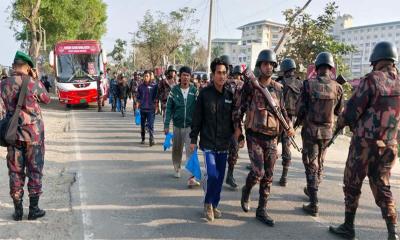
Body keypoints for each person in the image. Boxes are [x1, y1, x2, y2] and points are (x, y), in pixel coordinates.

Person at [329, 41, 400, 240]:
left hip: (365, 144)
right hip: (389, 144)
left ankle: (348, 227)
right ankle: (392, 232)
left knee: (352, 183)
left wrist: (340, 124)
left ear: (376, 60)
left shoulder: (372, 80)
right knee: (383, 186)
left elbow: (352, 111)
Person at [233, 49, 295, 226]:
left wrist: (289, 126)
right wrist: (239, 132)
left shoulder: (278, 88)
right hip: (254, 135)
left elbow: (283, 111)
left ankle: (262, 209)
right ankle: (246, 190)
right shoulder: (250, 86)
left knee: (268, 174)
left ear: (274, 67)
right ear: (259, 66)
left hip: (272, 137)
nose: (268, 67)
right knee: (258, 172)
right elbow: (239, 109)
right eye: (264, 63)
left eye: (271, 64)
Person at [1, 51, 51, 221]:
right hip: (33, 136)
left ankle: (18, 210)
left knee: (15, 172)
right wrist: (36, 79)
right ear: (29, 68)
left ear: (14, 66)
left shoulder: (4, 84)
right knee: (35, 170)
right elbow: (46, 99)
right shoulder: (32, 83)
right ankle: (34, 209)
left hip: (12, 134)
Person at [296, 52, 344, 217]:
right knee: (320, 161)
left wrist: (297, 123)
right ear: (331, 68)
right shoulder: (338, 87)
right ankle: (313, 188)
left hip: (310, 131)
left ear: (317, 67)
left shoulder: (308, 85)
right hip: (327, 132)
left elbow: (300, 109)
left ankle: (314, 202)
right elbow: (339, 111)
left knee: (310, 163)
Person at [189, 57, 235, 222]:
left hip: (224, 143)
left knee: (220, 177)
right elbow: (197, 118)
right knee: (213, 175)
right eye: (218, 73)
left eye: (224, 73)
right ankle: (207, 203)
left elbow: (234, 120)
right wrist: (193, 139)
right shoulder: (204, 94)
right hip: (208, 142)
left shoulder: (230, 94)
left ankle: (215, 204)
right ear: (213, 74)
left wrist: (239, 135)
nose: (222, 76)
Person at [164, 66, 200, 188]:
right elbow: (168, 108)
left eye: (188, 75)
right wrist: (166, 124)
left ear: (190, 77)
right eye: (183, 75)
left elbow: (200, 109)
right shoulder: (174, 91)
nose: (185, 77)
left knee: (191, 151)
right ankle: (177, 167)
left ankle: (192, 176)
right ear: (180, 77)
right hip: (177, 126)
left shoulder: (194, 91)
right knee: (177, 149)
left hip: (190, 127)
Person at [276, 58, 302, 187]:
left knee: (272, 145)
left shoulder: (279, 83)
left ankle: (264, 171)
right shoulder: (300, 84)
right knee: (287, 146)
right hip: (292, 120)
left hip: (278, 117)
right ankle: (284, 177)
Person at [225, 65, 245, 190]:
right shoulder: (242, 85)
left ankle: (223, 175)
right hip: (235, 123)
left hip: (223, 121)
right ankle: (230, 175)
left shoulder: (224, 82)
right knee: (234, 150)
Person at [137, 70, 158, 146]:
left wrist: (156, 106)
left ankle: (151, 139)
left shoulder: (154, 86)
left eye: (147, 76)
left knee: (151, 125)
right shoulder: (140, 86)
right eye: (145, 76)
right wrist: (137, 108)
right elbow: (138, 97)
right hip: (142, 109)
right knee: (142, 125)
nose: (146, 77)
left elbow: (156, 97)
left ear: (150, 77)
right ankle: (143, 138)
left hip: (151, 109)